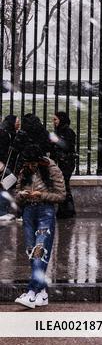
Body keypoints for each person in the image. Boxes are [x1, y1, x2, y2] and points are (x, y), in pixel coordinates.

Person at [12, 124, 66, 309]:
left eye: (32, 163)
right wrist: (22, 195)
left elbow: (61, 195)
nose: (30, 166)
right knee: (31, 251)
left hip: (45, 211)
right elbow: (16, 193)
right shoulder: (25, 170)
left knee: (39, 251)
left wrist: (41, 195)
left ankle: (32, 292)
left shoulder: (51, 168)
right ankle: (42, 293)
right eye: (28, 164)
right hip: (28, 211)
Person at [50, 111, 76, 219]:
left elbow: (67, 146)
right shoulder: (58, 131)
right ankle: (66, 209)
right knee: (63, 185)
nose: (54, 122)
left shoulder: (68, 132)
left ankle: (66, 210)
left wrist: (56, 141)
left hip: (66, 163)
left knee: (63, 185)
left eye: (55, 119)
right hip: (61, 162)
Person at [0, 115, 18, 222]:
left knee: (6, 184)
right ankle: (2, 212)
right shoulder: (4, 134)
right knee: (5, 185)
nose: (18, 123)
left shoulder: (7, 132)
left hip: (4, 164)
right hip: (3, 165)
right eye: (17, 121)